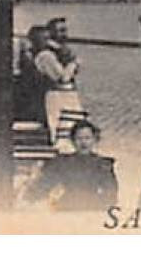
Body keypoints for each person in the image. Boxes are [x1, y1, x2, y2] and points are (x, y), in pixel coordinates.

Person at [22, 119, 118, 213]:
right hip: (68, 207)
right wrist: (30, 197)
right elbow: (46, 182)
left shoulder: (103, 164)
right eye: (79, 138)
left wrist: (102, 207)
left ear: (94, 140)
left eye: (87, 138)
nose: (83, 143)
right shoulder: (64, 163)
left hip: (93, 208)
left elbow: (111, 193)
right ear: (73, 141)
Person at [34, 25, 82, 153]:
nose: (64, 35)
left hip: (65, 94)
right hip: (57, 96)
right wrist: (73, 63)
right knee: (63, 123)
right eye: (60, 31)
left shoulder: (56, 54)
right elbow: (63, 77)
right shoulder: (45, 56)